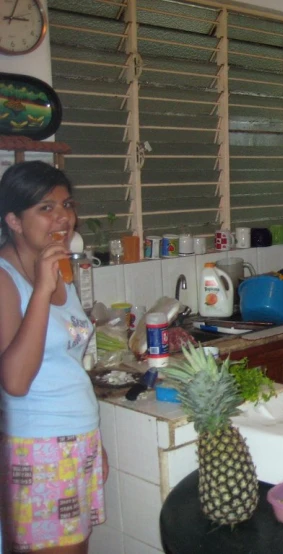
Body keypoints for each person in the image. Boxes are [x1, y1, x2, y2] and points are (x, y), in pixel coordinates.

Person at [0, 161, 107, 554]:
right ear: (13, 219)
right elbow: (14, 381)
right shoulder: (5, 279)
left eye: (67, 204)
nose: (63, 217)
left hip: (75, 438)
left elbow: (65, 365)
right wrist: (43, 290)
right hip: (39, 447)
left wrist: (94, 442)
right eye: (45, 208)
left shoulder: (56, 266)